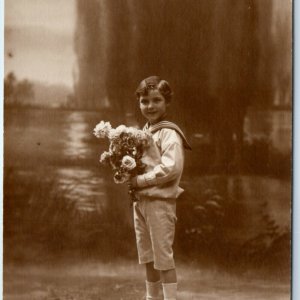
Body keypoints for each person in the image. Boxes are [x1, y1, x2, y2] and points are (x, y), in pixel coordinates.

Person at [130, 76, 191, 300]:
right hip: (141, 201)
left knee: (163, 257)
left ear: (167, 102)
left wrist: (140, 181)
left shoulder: (169, 133)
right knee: (147, 255)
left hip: (159, 202)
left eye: (157, 100)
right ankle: (151, 298)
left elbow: (171, 168)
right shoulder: (144, 132)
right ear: (139, 103)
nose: (150, 106)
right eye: (145, 101)